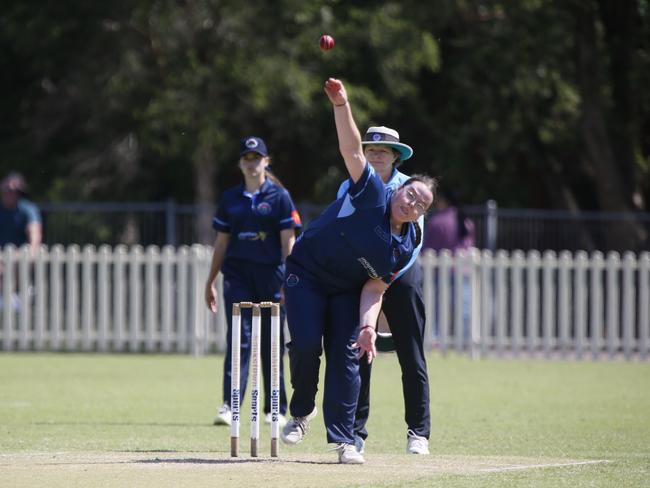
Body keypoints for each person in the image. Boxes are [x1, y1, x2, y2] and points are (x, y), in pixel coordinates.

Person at [279, 77, 436, 464]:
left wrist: (369, 326)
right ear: (398, 190)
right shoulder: (371, 193)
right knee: (305, 346)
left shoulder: (404, 245)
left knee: (348, 354)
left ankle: (346, 440)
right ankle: (301, 411)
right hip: (309, 273)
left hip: (348, 287)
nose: (412, 202)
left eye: (420, 203)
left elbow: (374, 287)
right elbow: (350, 150)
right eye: (410, 194)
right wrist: (341, 105)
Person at [336, 126, 432, 456]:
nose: (376, 155)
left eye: (383, 151)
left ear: (395, 156)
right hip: (362, 275)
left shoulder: (409, 189)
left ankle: (418, 432)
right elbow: (341, 228)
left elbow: (415, 242)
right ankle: (356, 433)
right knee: (360, 351)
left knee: (412, 355)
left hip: (401, 275)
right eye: (371, 149)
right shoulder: (350, 184)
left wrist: (387, 277)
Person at [204, 136, 302, 428]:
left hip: (272, 274)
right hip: (237, 275)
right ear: (240, 163)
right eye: (246, 158)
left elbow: (289, 241)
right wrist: (209, 280)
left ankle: (275, 407)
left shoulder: (280, 197)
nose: (251, 163)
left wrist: (291, 279)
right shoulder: (230, 198)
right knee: (239, 339)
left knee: (272, 341)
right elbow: (221, 244)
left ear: (266, 161)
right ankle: (229, 404)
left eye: (256, 158)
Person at [422, 188, 476, 341]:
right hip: (463, 270)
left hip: (441, 272)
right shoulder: (466, 221)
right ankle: (466, 340)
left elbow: (428, 248)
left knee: (437, 309)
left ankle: (435, 339)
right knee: (464, 309)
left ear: (444, 201)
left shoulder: (437, 221)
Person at [0, 172, 42, 311]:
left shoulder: (28, 209)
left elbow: (35, 233)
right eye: (7, 190)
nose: (10, 194)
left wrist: (31, 251)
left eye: (14, 191)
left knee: (17, 260)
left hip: (19, 255)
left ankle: (12, 297)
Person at [0, 172, 42, 250]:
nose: (8, 193)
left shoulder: (28, 209)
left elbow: (35, 234)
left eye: (12, 191)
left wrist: (30, 253)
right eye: (5, 189)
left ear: (19, 193)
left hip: (21, 258)